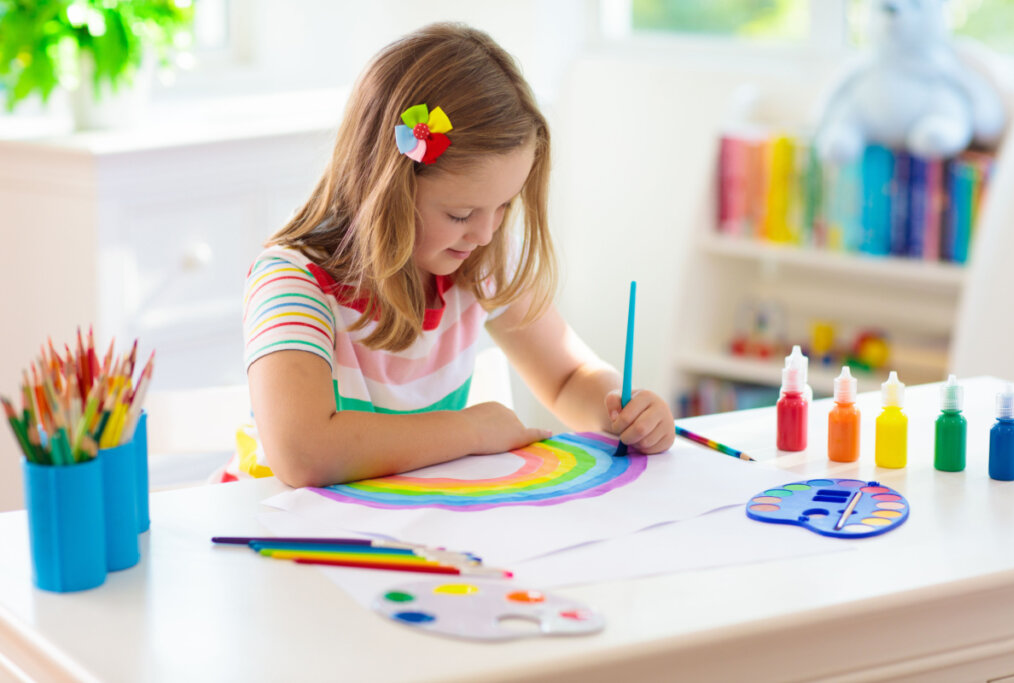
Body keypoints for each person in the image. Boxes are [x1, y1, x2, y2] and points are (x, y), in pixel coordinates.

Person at [215, 22, 675, 487]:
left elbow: (568, 376)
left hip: (401, 525)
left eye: (504, 206)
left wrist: (619, 409)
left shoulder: (480, 261)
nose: (485, 232)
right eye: (460, 213)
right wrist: (471, 429)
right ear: (387, 187)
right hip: (276, 533)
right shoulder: (293, 282)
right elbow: (303, 453)